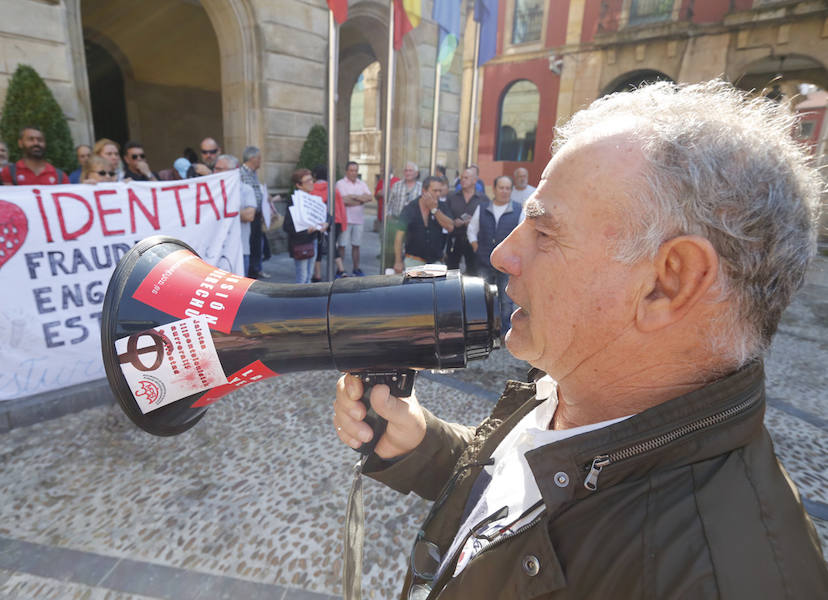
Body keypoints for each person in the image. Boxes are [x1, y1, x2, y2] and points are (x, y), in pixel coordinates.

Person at [332, 80, 828, 598]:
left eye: (544, 233)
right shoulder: (578, 386)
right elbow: (526, 487)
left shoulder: (723, 581)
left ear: (668, 282)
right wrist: (427, 444)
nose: (502, 255)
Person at [467, 175, 521, 332]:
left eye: (508, 188)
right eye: (501, 187)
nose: (504, 191)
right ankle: (485, 330)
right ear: (494, 189)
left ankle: (504, 331)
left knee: (506, 300)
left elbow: (521, 238)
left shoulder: (518, 210)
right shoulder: (482, 208)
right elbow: (471, 230)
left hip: (507, 265)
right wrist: (477, 247)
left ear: (511, 190)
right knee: (484, 298)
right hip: (484, 262)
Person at [393, 176, 454, 273]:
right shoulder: (410, 208)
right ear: (424, 191)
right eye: (434, 191)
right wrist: (398, 261)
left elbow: (450, 227)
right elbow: (398, 237)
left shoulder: (442, 207)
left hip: (435, 262)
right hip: (413, 261)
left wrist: (434, 210)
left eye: (440, 191)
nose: (438, 194)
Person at [239, 146, 278, 279]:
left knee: (256, 244)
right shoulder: (240, 173)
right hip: (248, 216)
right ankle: (249, 272)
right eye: (259, 158)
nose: (261, 161)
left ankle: (255, 270)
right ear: (252, 158)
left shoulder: (253, 173)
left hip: (257, 216)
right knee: (249, 244)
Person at [284, 168, 329, 284]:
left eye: (311, 180)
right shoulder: (293, 201)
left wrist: (327, 223)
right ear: (299, 185)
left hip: (312, 240)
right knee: (302, 277)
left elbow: (327, 215)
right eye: (307, 181)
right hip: (300, 243)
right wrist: (306, 231)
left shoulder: (314, 199)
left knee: (308, 275)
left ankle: (306, 301)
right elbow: (287, 226)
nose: (311, 183)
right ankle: (300, 301)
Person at [444, 166, 487, 275]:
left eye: (466, 178)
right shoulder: (451, 196)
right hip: (454, 239)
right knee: (451, 272)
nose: (462, 180)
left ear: (474, 181)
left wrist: (474, 222)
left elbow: (486, 219)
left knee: (473, 272)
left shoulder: (483, 199)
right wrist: (453, 222)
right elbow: (445, 215)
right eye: (461, 178)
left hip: (473, 241)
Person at [335, 160, 372, 277]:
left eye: (355, 170)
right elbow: (341, 200)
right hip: (345, 220)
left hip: (358, 220)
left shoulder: (362, 184)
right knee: (342, 245)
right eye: (351, 170)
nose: (353, 173)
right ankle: (340, 270)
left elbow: (369, 197)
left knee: (356, 245)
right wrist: (360, 200)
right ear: (346, 171)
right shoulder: (340, 183)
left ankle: (356, 268)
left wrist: (353, 197)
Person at [383, 162, 422, 271]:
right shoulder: (397, 185)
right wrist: (389, 216)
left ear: (416, 173)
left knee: (410, 251)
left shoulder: (421, 187)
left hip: (413, 226)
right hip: (397, 224)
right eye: (406, 170)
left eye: (410, 170)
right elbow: (389, 204)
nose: (408, 173)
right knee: (395, 250)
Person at [0, 126, 68, 185]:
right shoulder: (8, 173)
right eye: (30, 139)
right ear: (20, 143)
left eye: (40, 140)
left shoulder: (60, 176)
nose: (36, 143)